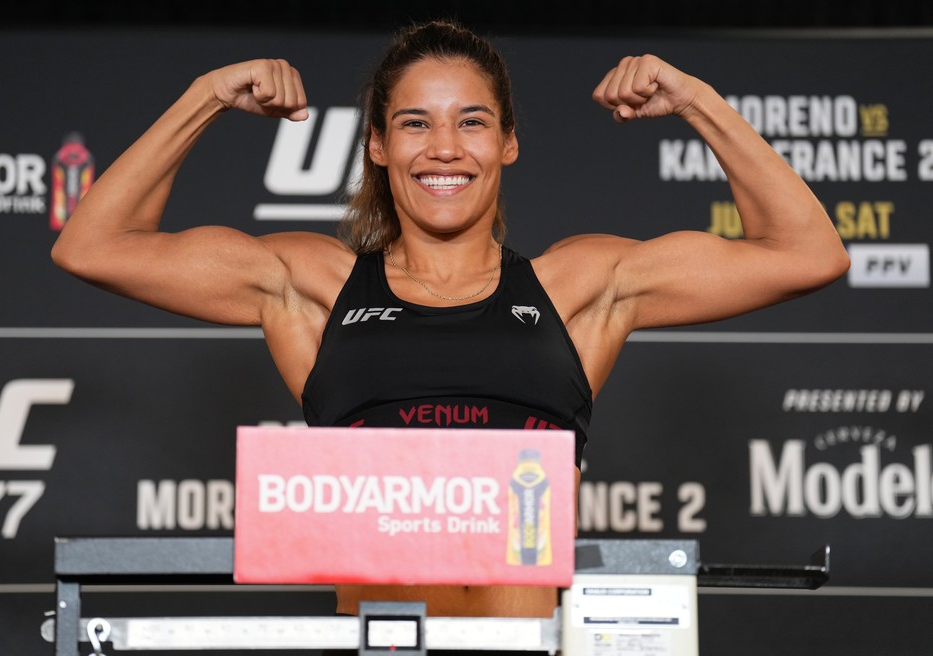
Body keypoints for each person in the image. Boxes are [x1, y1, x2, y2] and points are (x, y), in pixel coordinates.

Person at [51, 20, 849, 620]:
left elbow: (810, 254)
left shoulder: (578, 285)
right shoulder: (314, 286)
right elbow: (94, 246)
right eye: (415, 123)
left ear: (507, 144)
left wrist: (700, 102)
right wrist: (207, 96)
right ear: (376, 144)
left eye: (471, 122)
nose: (444, 149)